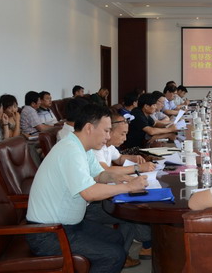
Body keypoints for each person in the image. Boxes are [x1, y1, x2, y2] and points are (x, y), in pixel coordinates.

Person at [26, 104, 147, 273]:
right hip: (48, 233)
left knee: (115, 238)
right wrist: (127, 187)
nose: (108, 136)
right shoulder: (70, 150)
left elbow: (99, 175)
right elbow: (89, 193)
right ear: (89, 128)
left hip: (69, 225)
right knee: (113, 255)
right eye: (106, 131)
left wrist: (119, 178)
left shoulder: (83, 148)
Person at [89, 111, 155, 266]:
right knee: (130, 214)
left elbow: (118, 158)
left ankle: (147, 244)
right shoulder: (95, 148)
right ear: (109, 131)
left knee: (136, 201)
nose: (125, 138)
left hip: (103, 193)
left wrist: (133, 159)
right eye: (122, 134)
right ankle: (129, 253)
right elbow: (105, 170)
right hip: (92, 203)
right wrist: (137, 168)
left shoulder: (108, 146)